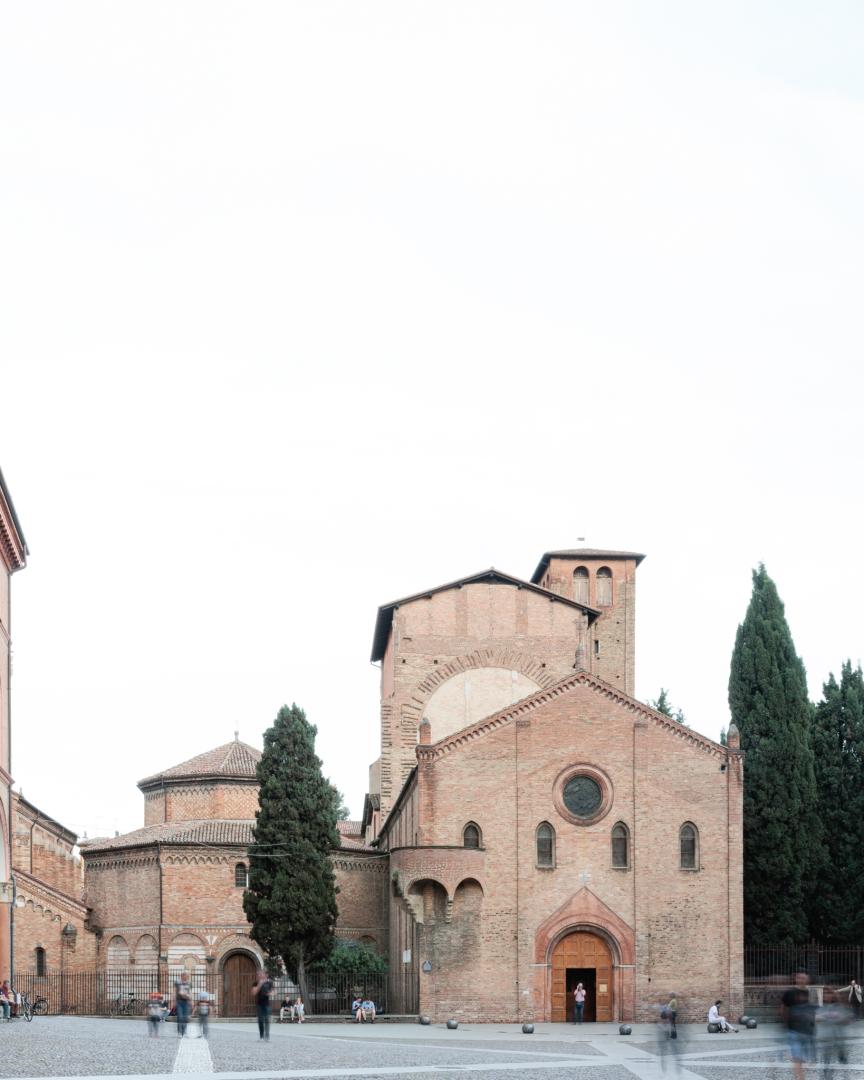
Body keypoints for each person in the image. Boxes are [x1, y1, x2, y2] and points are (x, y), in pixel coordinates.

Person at [782, 972, 816, 1080]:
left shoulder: (808, 992)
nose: (802, 980)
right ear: (796, 979)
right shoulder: (789, 992)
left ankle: (799, 1076)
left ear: (807, 979)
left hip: (806, 1030)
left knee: (802, 1057)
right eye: (800, 978)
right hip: (793, 1030)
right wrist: (786, 1023)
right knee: (797, 1056)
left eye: (804, 978)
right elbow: (783, 1008)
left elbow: (811, 1010)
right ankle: (799, 1077)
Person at [253, 970, 273, 1040]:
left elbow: (273, 991)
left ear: (264, 975)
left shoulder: (269, 982)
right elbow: (254, 993)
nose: (260, 976)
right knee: (260, 1020)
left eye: (261, 974)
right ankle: (261, 1036)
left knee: (267, 1020)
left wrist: (271, 993)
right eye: (258, 975)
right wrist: (259, 985)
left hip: (267, 1004)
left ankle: (267, 1036)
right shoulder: (255, 983)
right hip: (259, 1004)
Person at [174, 973, 192, 1037]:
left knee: (185, 1018)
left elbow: (190, 992)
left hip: (186, 1002)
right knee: (180, 1017)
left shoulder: (189, 983)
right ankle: (179, 1032)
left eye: (187, 976)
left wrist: (190, 1000)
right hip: (179, 1002)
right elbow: (175, 992)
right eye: (185, 976)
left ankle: (184, 1032)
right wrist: (174, 1001)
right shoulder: (178, 983)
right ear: (181, 976)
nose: (186, 977)